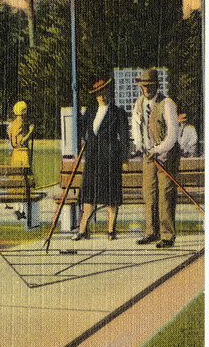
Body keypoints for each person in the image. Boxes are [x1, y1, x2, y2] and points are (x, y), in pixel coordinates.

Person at [129, 69, 179, 248]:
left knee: (165, 194)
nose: (146, 89)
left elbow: (173, 135)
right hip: (148, 155)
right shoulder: (139, 103)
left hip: (166, 156)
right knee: (149, 194)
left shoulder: (167, 104)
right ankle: (151, 232)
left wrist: (158, 150)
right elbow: (136, 127)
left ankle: (167, 235)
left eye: (150, 86)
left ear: (156, 86)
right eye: (144, 86)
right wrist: (140, 146)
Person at [73, 78, 126, 240]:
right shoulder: (89, 111)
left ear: (108, 91)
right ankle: (82, 229)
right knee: (89, 193)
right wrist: (82, 139)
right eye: (98, 93)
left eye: (103, 92)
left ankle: (110, 230)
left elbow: (124, 138)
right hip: (93, 158)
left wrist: (123, 159)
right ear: (95, 96)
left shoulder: (118, 112)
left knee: (110, 195)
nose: (101, 96)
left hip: (110, 157)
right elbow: (81, 129)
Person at [7, 101, 34, 168]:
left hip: (15, 154)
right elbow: (20, 141)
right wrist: (30, 131)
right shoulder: (20, 123)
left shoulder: (13, 124)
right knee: (24, 175)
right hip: (21, 154)